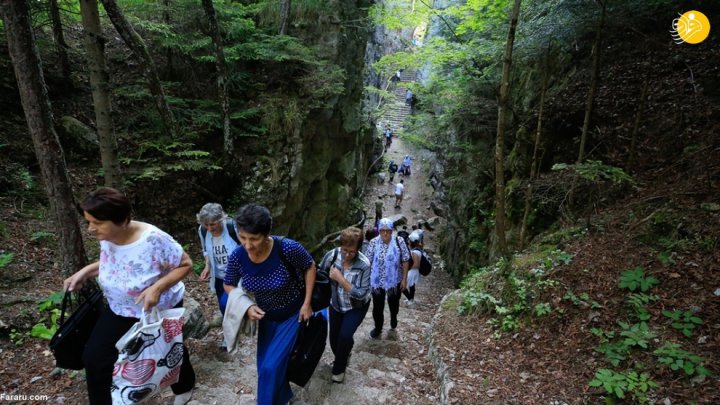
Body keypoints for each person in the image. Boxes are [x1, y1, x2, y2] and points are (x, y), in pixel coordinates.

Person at [63, 187, 195, 405]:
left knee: (169, 349)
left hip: (156, 309)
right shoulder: (108, 235)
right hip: (119, 308)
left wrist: (158, 287)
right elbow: (119, 262)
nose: (90, 229)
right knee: (95, 358)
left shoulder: (154, 240)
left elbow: (185, 264)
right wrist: (86, 271)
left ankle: (184, 385)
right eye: (88, 222)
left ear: (122, 220)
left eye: (96, 223)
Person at [223, 203, 315, 405]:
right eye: (243, 237)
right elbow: (228, 284)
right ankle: (283, 398)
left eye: (254, 239)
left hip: (292, 315)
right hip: (266, 317)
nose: (247, 244)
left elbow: (309, 266)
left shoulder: (287, 248)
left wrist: (307, 303)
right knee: (265, 366)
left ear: (266, 235)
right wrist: (246, 306)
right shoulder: (238, 256)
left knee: (269, 368)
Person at [319, 227, 371, 383]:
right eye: (345, 250)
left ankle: (339, 369)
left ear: (359, 249)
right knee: (334, 339)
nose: (347, 255)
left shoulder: (364, 264)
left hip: (356, 306)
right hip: (335, 304)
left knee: (345, 335)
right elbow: (320, 273)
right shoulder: (333, 256)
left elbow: (362, 293)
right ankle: (345, 352)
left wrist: (340, 279)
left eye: (352, 252)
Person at [364, 218, 410, 338]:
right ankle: (378, 327)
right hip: (377, 281)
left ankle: (394, 316)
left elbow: (405, 260)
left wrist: (404, 279)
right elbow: (367, 261)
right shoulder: (374, 242)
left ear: (392, 231)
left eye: (388, 231)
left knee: (393, 302)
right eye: (382, 230)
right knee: (377, 306)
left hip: (395, 281)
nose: (385, 233)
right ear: (379, 231)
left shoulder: (399, 241)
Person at [197, 203, 240, 318]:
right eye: (206, 224)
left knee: (225, 303)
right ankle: (231, 325)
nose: (210, 228)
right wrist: (207, 266)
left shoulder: (232, 227)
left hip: (236, 275)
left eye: (213, 224)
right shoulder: (203, 230)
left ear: (221, 219)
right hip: (218, 277)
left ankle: (237, 324)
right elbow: (205, 250)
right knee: (223, 305)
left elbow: (246, 246)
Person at [402, 236, 422, 307]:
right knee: (411, 286)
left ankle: (410, 299)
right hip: (414, 272)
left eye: (409, 241)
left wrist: (406, 267)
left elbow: (416, 264)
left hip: (412, 271)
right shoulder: (417, 250)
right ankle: (411, 299)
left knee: (401, 286)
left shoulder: (414, 252)